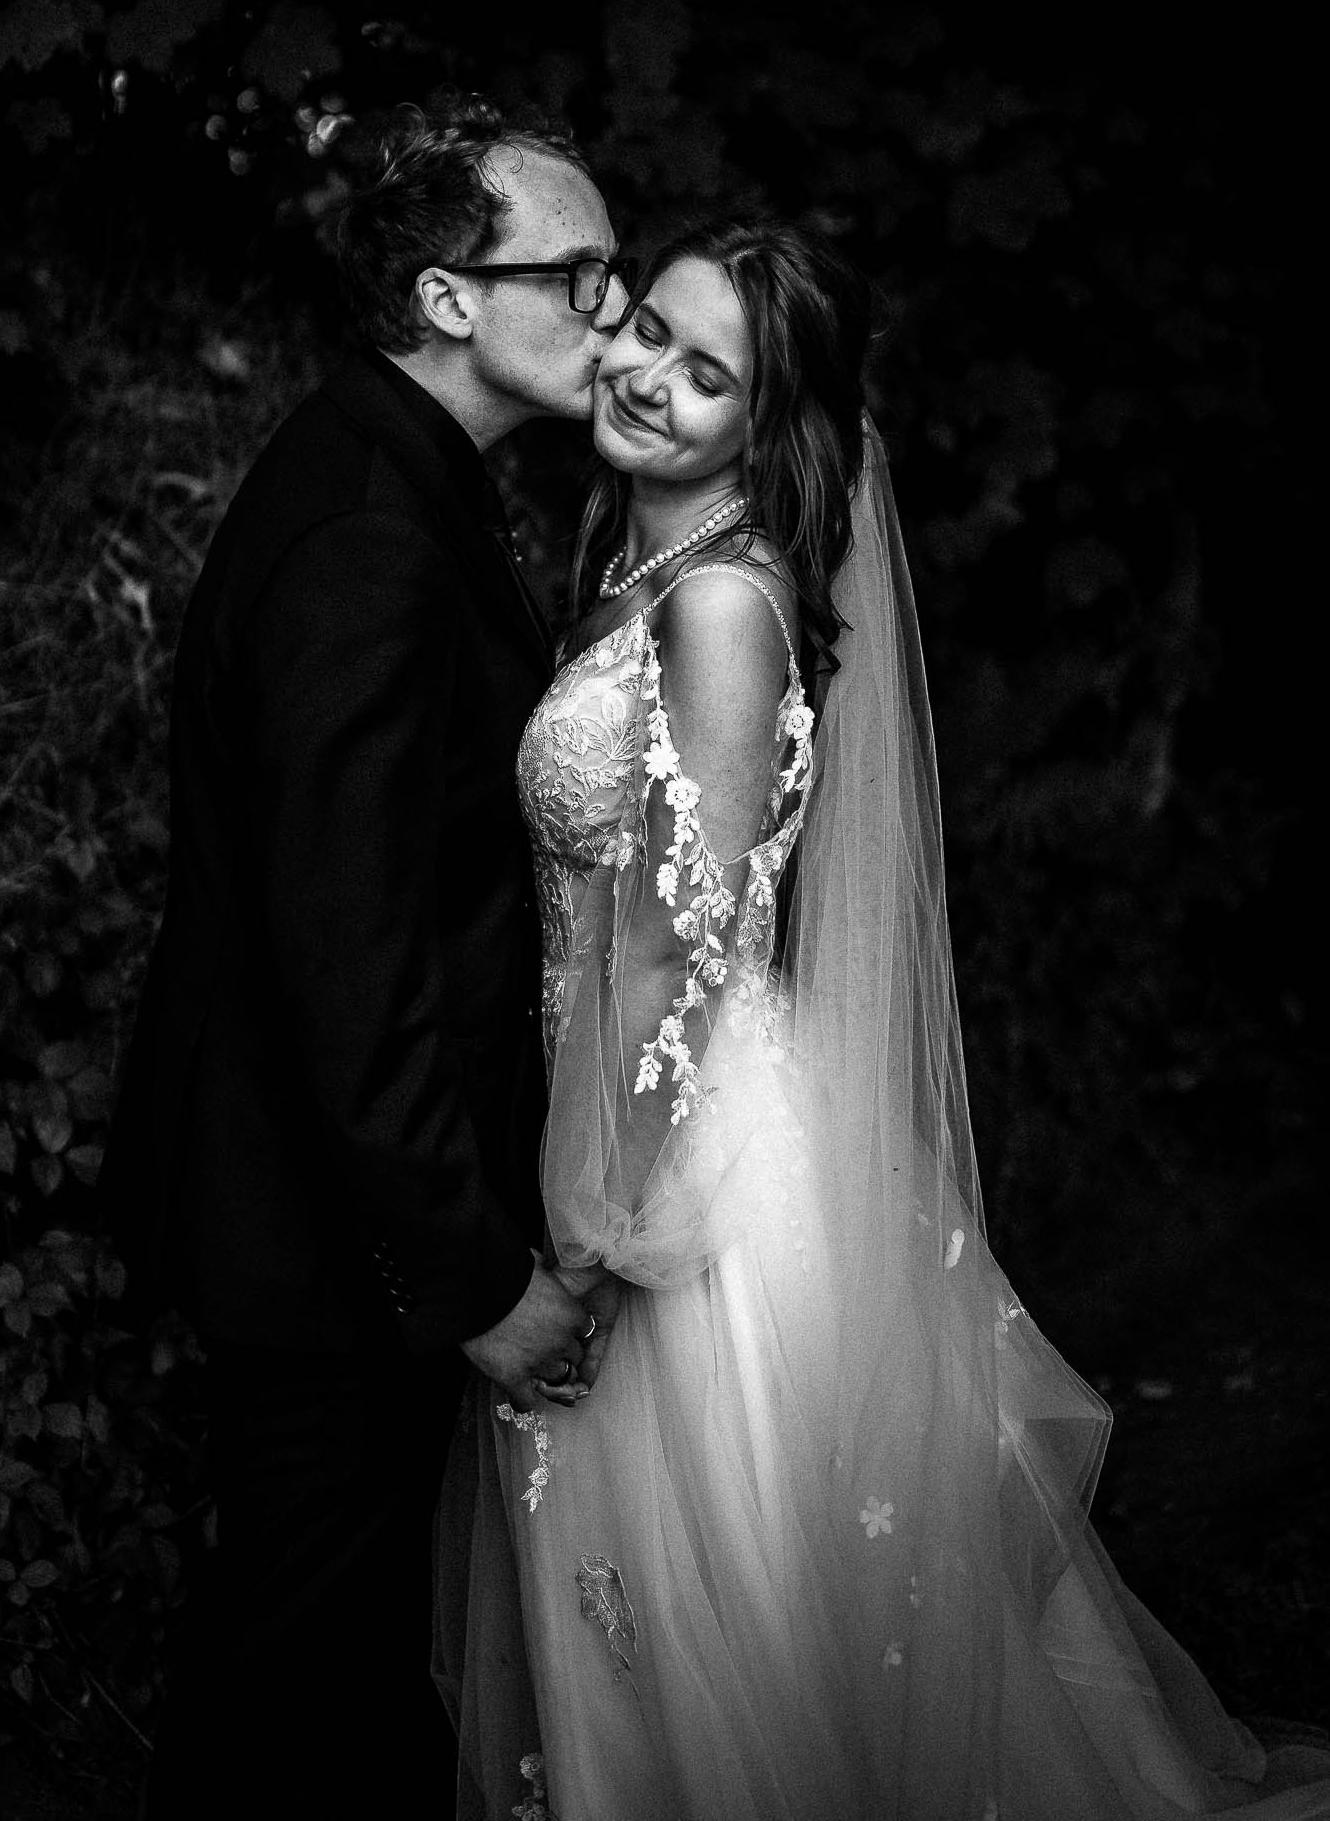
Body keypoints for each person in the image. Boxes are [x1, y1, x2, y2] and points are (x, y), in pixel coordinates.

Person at [435, 219, 1330, 1820]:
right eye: (645, 329)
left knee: (715, 1597)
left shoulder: (716, 607)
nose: (645, 375)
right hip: (612, 1106)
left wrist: (589, 1232)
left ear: (762, 430)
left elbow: (679, 952)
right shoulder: (635, 567)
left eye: (704, 376)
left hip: (671, 1158)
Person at [98, 95, 635, 1817]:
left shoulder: (399, 478)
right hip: (319, 1219)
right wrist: (470, 1281)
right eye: (579, 274)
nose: (613, 312)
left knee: (334, 1667)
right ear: (448, 298)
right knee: (288, 1666)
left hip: (327, 1205)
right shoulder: (363, 537)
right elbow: (349, 958)